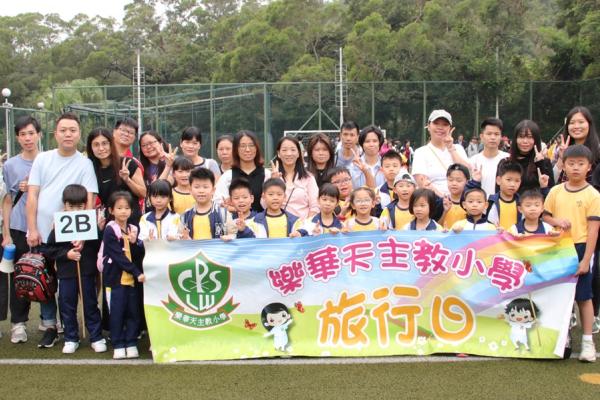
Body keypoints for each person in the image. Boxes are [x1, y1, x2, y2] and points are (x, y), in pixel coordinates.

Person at [26, 112, 98, 348]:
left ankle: (79, 331)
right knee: (45, 281)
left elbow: (90, 199)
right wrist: (32, 228)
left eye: (73, 130)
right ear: (55, 134)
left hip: (72, 236)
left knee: (71, 284)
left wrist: (83, 234)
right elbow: (33, 195)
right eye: (63, 130)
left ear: (79, 134)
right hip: (43, 232)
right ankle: (50, 325)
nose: (68, 134)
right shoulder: (42, 159)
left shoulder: (85, 163)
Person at [543, 145, 600, 362]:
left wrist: (586, 260)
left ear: (589, 167)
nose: (576, 168)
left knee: (584, 297)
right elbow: (545, 216)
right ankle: (561, 338)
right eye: (571, 163)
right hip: (558, 247)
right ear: (564, 165)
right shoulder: (555, 191)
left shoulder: (593, 195)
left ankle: (588, 341)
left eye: (581, 164)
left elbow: (593, 230)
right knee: (559, 295)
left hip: (580, 248)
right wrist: (556, 221)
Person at [41, 185, 105, 354]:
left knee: (90, 304)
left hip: (87, 271)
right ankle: (71, 338)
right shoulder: (60, 224)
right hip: (66, 273)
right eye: (71, 206)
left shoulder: (90, 222)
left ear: (85, 205)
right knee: (67, 305)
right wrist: (66, 254)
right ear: (65, 205)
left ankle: (96, 337)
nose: (76, 210)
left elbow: (99, 245)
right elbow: (49, 249)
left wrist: (98, 230)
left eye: (80, 206)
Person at [1, 116, 42, 344]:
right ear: (17, 138)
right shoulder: (10, 165)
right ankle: (18, 324)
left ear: (39, 135)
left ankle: (49, 320)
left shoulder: (48, 160)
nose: (27, 138)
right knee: (20, 276)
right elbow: (7, 200)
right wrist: (6, 233)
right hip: (18, 227)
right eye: (23, 134)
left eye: (31, 133)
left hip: (43, 227)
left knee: (47, 273)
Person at [101, 191, 145, 359]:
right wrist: (136, 272)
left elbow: (138, 253)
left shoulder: (133, 229)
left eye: (126, 208)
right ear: (111, 210)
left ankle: (131, 342)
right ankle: (118, 343)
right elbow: (117, 256)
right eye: (119, 208)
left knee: (133, 311)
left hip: (132, 280)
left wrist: (135, 243)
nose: (123, 211)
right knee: (117, 312)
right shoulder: (110, 230)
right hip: (115, 279)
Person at [87, 128, 146, 224]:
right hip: (110, 223)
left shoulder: (128, 163)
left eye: (104, 143)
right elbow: (91, 201)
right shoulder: (90, 169)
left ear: (111, 144)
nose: (101, 148)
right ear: (91, 148)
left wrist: (127, 180)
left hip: (132, 222)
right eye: (96, 145)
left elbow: (143, 193)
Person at [411, 110, 470, 196]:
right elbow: (423, 183)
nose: (440, 127)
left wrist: (451, 149)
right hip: (433, 200)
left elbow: (467, 173)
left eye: (445, 124)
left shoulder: (458, 148)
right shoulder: (420, 152)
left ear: (450, 128)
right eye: (436, 123)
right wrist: (444, 199)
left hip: (459, 200)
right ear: (428, 126)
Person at [214, 130, 272, 213]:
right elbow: (218, 203)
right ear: (236, 149)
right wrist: (235, 209)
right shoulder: (227, 176)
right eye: (242, 146)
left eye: (251, 145)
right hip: (235, 220)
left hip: (262, 220)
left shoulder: (267, 175)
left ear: (256, 148)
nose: (247, 149)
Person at [498, 120, 553, 194]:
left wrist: (540, 164)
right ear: (515, 139)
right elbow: (498, 190)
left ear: (536, 140)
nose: (525, 141)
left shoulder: (544, 163)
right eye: (521, 137)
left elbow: (551, 192)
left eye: (530, 137)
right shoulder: (506, 163)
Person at [270, 136, 319, 219]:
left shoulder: (308, 178)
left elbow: (315, 206)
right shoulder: (271, 176)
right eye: (284, 150)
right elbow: (264, 204)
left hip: (303, 225)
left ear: (299, 153)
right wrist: (273, 182)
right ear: (278, 153)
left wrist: (306, 224)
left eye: (293, 150)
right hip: (277, 224)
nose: (289, 153)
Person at [554, 106, 600, 185]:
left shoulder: (598, 151)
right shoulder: (560, 149)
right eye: (572, 123)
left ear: (589, 124)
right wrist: (561, 158)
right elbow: (553, 181)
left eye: (581, 122)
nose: (576, 126)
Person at [180, 168, 229, 240]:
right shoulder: (185, 216)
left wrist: (229, 237)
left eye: (205, 187)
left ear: (213, 190)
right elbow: (180, 237)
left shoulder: (222, 213)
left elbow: (234, 234)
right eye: (197, 187)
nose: (201, 191)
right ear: (190, 190)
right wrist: (182, 238)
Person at [470, 118, 509, 197]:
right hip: (480, 203)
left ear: (501, 137)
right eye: (489, 134)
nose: (493, 137)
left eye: (496, 134)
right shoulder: (473, 161)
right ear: (481, 136)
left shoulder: (508, 159)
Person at [334, 121, 375, 189]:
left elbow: (372, 185)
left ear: (357, 137)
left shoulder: (364, 157)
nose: (348, 138)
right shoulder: (333, 157)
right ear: (340, 136)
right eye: (345, 134)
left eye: (352, 135)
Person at [486, 161, 523, 231]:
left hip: (516, 237)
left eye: (517, 181)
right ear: (498, 180)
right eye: (508, 180)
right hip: (496, 237)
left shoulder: (522, 203)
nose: (513, 184)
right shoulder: (490, 201)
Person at [439, 164, 471, 230]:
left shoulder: (471, 203)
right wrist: (445, 212)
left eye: (459, 181)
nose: (454, 183)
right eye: (450, 180)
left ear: (467, 182)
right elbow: (435, 227)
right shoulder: (441, 202)